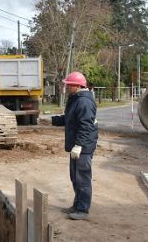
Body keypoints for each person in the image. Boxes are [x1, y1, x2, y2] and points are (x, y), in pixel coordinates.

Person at [55, 71, 98, 221]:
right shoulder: (76, 99)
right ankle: (77, 205)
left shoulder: (84, 101)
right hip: (77, 146)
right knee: (75, 177)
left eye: (69, 85)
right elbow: (71, 119)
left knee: (82, 178)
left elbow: (85, 126)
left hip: (83, 148)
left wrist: (79, 145)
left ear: (77, 86)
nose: (67, 87)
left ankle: (83, 210)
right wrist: (54, 120)